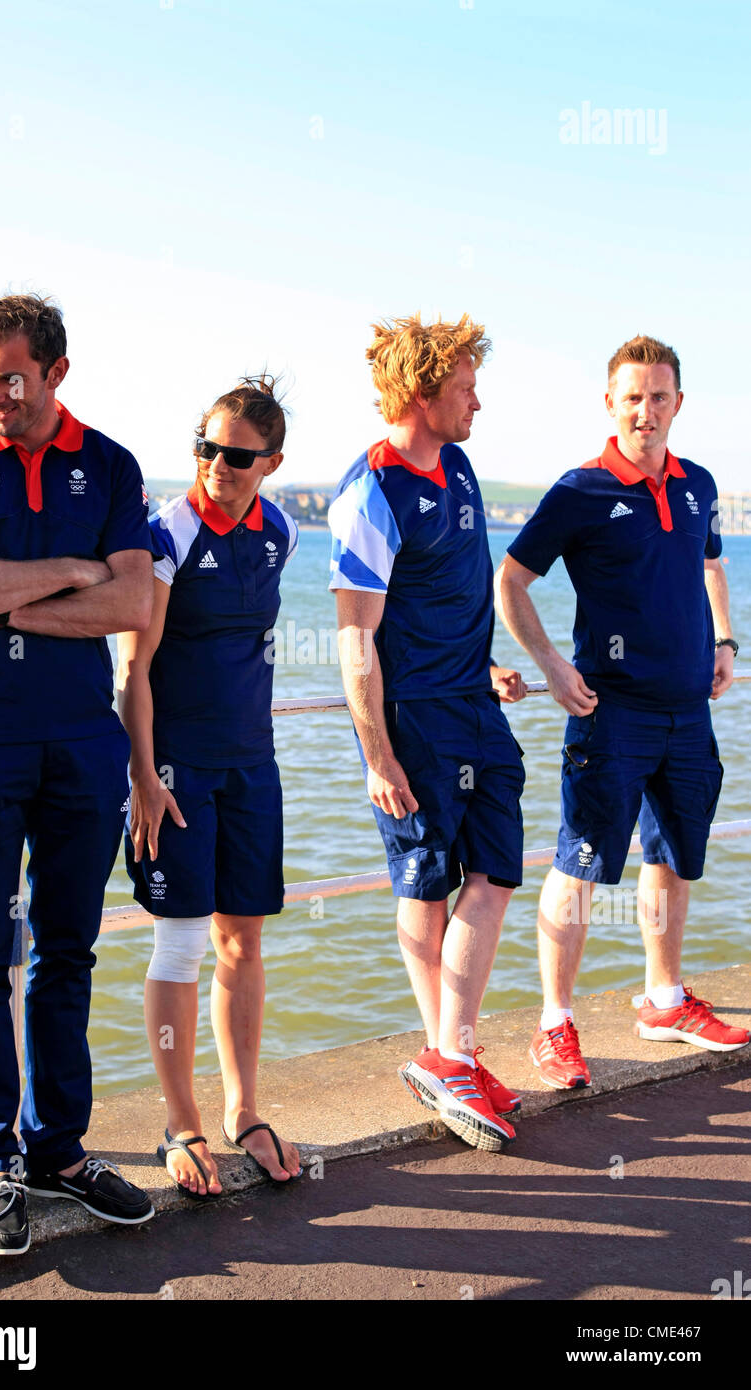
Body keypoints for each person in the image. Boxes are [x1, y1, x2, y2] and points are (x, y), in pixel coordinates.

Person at [0, 293, 156, 1254]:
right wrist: (72, 572)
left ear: (55, 372)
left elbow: (132, 601)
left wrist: (6, 600)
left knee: (67, 953)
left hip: (80, 745)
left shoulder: (113, 464)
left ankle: (58, 1153)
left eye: (10, 374)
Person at [494, 334, 749, 1089]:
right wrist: (550, 663)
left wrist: (726, 640)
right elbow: (511, 580)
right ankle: (554, 1024)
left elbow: (708, 564)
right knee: (579, 865)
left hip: (688, 712)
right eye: (633, 397)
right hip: (610, 711)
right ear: (611, 403)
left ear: (678, 402)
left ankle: (664, 1000)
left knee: (670, 858)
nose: (647, 410)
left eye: (660, 396)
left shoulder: (698, 483)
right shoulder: (578, 491)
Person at [328, 314, 527, 1152]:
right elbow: (355, 635)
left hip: (474, 710)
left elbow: (453, 595)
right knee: (424, 881)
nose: (477, 402)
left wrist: (483, 668)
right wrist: (377, 752)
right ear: (421, 394)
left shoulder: (462, 464)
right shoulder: (369, 491)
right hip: (412, 721)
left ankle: (451, 1051)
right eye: (465, 388)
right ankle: (449, 1055)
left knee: (498, 871)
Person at [116, 377, 302, 1197]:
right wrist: (145, 779)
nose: (217, 464)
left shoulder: (284, 533)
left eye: (236, 454)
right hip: (176, 771)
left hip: (251, 766)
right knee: (184, 941)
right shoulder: (169, 533)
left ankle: (244, 1110)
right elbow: (135, 668)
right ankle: (180, 1122)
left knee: (244, 942)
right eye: (206, 447)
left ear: (272, 462)